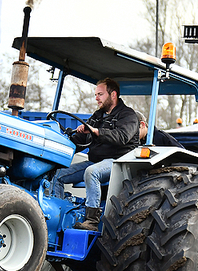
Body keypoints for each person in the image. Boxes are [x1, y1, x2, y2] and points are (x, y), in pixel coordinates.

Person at [53, 78, 139, 231]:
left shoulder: (128, 115)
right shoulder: (98, 115)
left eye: (100, 94)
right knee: (57, 175)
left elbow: (122, 137)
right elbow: (81, 140)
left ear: (113, 95)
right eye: (96, 95)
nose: (96, 98)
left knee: (91, 172)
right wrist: (64, 141)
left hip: (118, 162)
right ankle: (59, 213)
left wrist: (97, 132)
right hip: (95, 161)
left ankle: (91, 220)